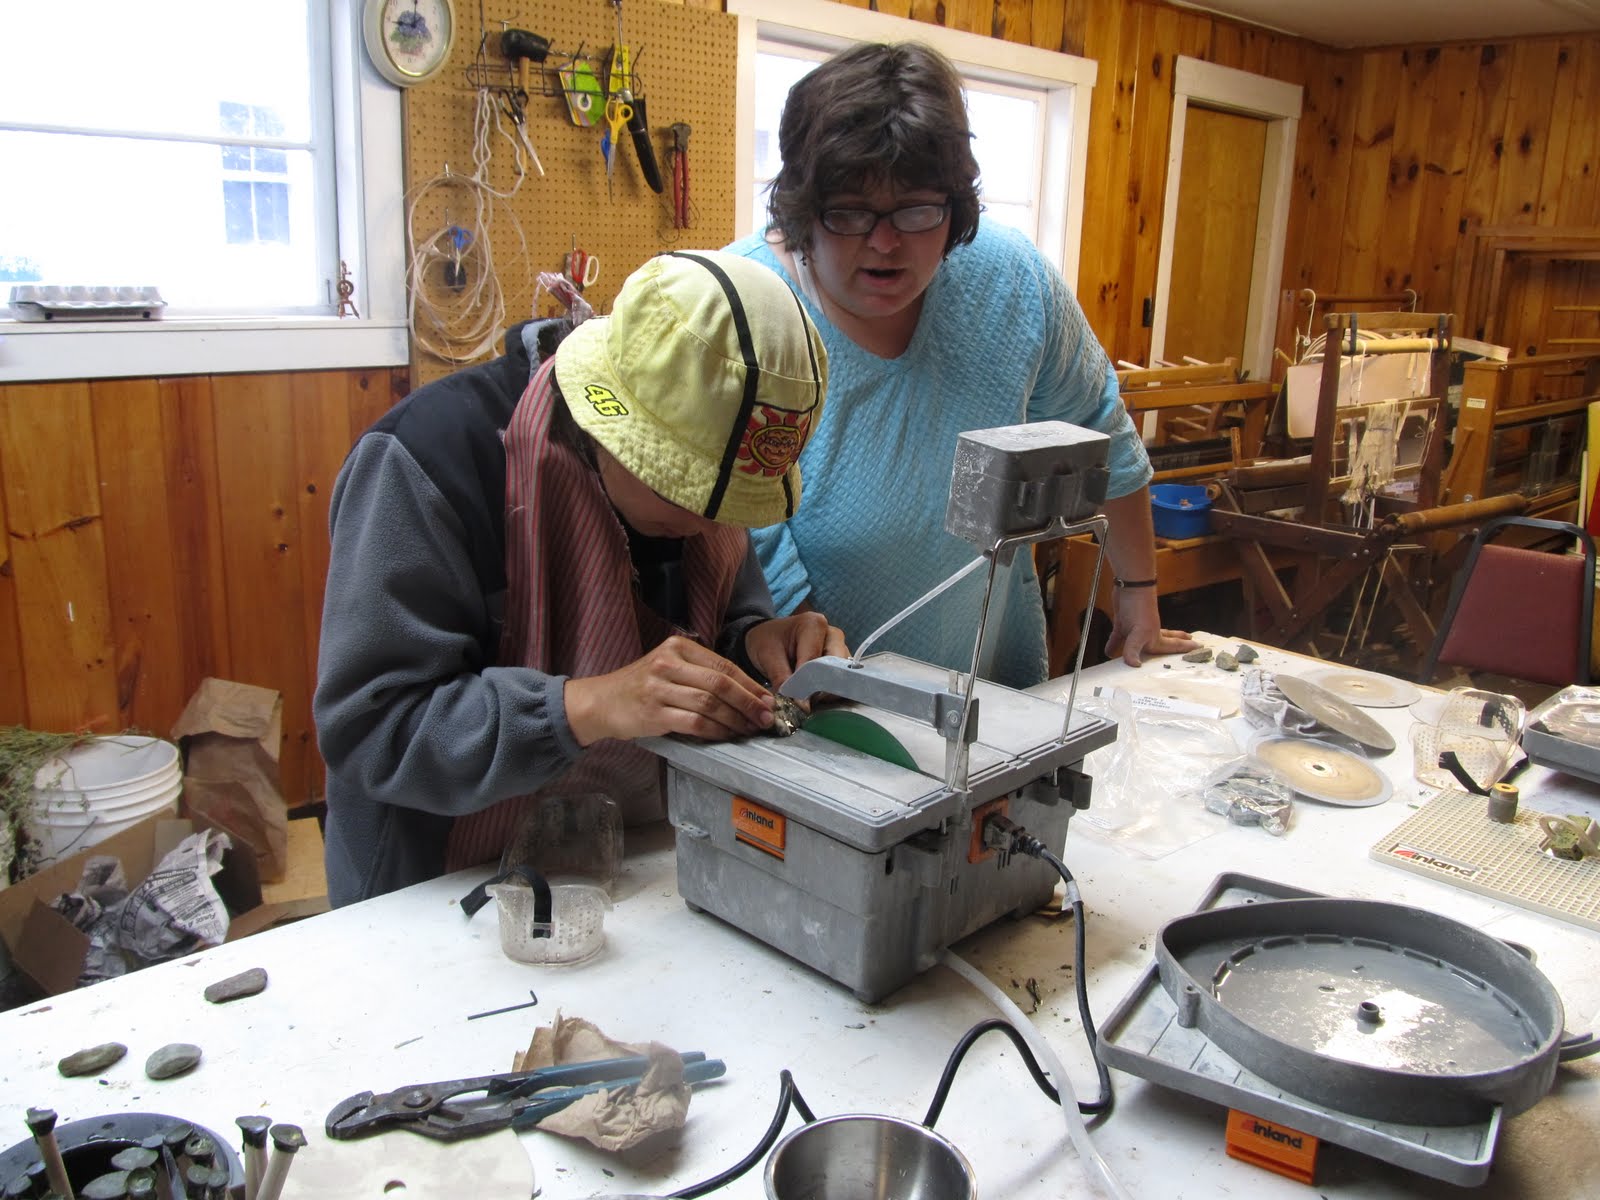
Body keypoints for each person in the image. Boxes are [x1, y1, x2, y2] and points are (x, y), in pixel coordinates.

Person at [315, 250, 841, 905]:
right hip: (434, 895)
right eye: (691, 492)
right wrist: (588, 706)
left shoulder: (702, 492)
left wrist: (755, 642)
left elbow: (724, 613)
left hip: (629, 866)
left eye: (736, 507)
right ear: (616, 428)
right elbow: (372, 733)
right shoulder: (427, 466)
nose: (715, 530)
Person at [726, 41, 1197, 688]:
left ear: (955, 206)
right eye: (851, 212)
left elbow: (1103, 433)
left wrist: (1139, 591)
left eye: (917, 209)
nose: (886, 242)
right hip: (812, 697)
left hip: (993, 680)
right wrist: (818, 674)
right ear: (804, 208)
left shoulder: (1011, 281)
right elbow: (734, 538)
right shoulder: (740, 309)